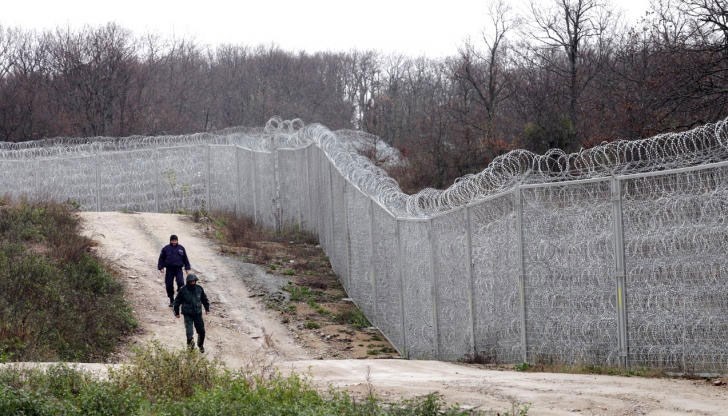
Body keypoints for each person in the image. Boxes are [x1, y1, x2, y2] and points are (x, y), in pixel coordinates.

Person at [173, 274, 209, 352]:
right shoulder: (183, 290)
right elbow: (177, 301)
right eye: (191, 282)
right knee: (189, 333)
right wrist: (176, 312)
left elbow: (204, 299)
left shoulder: (199, 289)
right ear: (188, 282)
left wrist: (207, 308)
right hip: (188, 314)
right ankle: (191, 350)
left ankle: (200, 345)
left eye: (194, 281)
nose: (193, 283)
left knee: (202, 331)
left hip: (197, 314)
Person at [158, 234, 191, 307]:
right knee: (169, 285)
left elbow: (185, 259)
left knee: (181, 283)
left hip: (178, 269)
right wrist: (161, 267)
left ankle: (179, 298)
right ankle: (171, 300)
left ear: (177, 240)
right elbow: (161, 258)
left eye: (175, 240)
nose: (174, 242)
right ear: (170, 241)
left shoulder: (181, 248)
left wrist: (187, 268)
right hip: (169, 270)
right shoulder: (166, 249)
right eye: (172, 240)